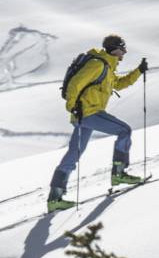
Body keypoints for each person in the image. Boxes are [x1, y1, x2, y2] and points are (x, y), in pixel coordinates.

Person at [48, 35, 148, 211]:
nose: (124, 51)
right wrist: (72, 107)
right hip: (89, 112)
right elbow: (75, 84)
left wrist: (139, 71)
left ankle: (55, 198)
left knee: (74, 153)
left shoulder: (107, 67)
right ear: (114, 49)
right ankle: (119, 174)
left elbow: (119, 84)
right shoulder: (98, 65)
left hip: (84, 115)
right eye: (122, 48)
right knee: (124, 131)